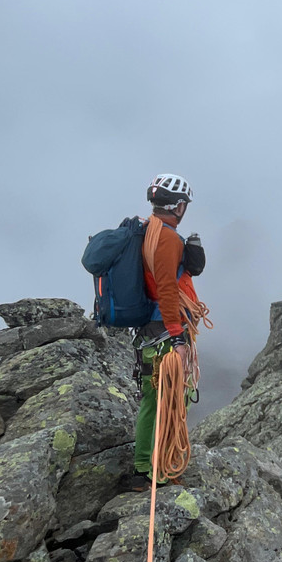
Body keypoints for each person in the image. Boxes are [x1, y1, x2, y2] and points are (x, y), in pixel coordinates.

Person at [126, 173, 206, 489]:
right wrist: (177, 336)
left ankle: (144, 469)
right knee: (171, 400)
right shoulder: (168, 239)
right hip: (165, 330)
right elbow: (167, 288)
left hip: (149, 329)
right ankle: (158, 471)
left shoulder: (148, 230)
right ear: (179, 206)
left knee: (153, 398)